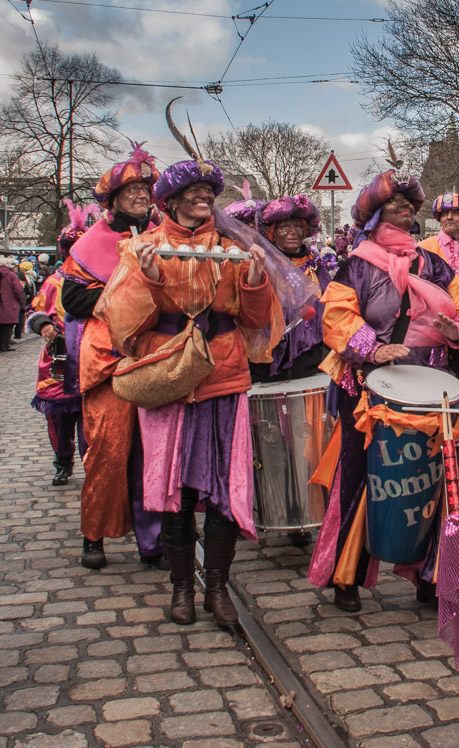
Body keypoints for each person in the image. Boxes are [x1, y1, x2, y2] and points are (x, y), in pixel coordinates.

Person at [96, 139, 287, 626]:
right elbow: (122, 323)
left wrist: (254, 281)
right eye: (193, 190)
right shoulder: (140, 248)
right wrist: (153, 278)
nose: (203, 197)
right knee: (173, 491)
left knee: (225, 490)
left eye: (208, 189)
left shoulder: (232, 250)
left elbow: (256, 319)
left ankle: (218, 590)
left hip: (223, 377)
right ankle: (183, 588)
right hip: (167, 379)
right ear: (171, 200)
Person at [306, 163, 459, 613]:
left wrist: (458, 328)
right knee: (359, 480)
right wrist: (371, 348)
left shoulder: (433, 263)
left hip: (435, 384)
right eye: (395, 207)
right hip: (373, 389)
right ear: (375, 217)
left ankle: (432, 577)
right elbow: (335, 315)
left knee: (440, 481)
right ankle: (345, 577)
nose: (406, 213)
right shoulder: (356, 264)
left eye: (410, 208)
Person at [59, 143, 165, 570]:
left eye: (146, 188)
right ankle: (94, 535)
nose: (142, 195)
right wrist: (126, 292)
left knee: (153, 452)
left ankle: (152, 540)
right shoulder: (93, 240)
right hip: (110, 363)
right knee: (108, 450)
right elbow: (73, 299)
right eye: (133, 189)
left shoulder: (161, 234)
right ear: (113, 197)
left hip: (156, 358)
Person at [27, 204, 95, 485]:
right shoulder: (53, 281)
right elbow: (35, 310)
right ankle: (63, 463)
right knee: (59, 419)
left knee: (92, 421)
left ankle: (94, 466)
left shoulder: (97, 280)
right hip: (59, 360)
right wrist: (43, 325)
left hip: (93, 357)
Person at [251, 194, 333, 382]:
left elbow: (331, 312)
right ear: (272, 232)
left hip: (310, 362)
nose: (293, 232)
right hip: (266, 363)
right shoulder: (261, 265)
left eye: (298, 226)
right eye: (285, 227)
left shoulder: (317, 268)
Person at [0, 255, 24, 352]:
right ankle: (4, 345)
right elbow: (18, 290)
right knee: (8, 326)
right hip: (9, 303)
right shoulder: (11, 275)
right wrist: (20, 301)